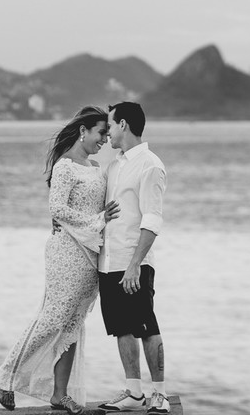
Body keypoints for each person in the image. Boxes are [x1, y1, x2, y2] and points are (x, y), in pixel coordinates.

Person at [0, 106, 121, 414]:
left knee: (73, 324)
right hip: (66, 252)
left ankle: (60, 394)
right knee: (52, 318)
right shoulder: (66, 166)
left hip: (91, 253)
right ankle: (6, 376)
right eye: (101, 132)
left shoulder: (93, 166)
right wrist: (98, 220)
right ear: (83, 131)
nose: (104, 139)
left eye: (107, 133)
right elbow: (57, 209)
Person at [97, 101, 170, 414]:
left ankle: (160, 394)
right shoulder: (114, 165)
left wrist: (135, 266)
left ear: (123, 125)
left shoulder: (150, 165)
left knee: (145, 326)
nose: (108, 133)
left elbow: (152, 220)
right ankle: (134, 392)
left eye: (110, 125)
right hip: (108, 262)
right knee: (121, 328)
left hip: (133, 263)